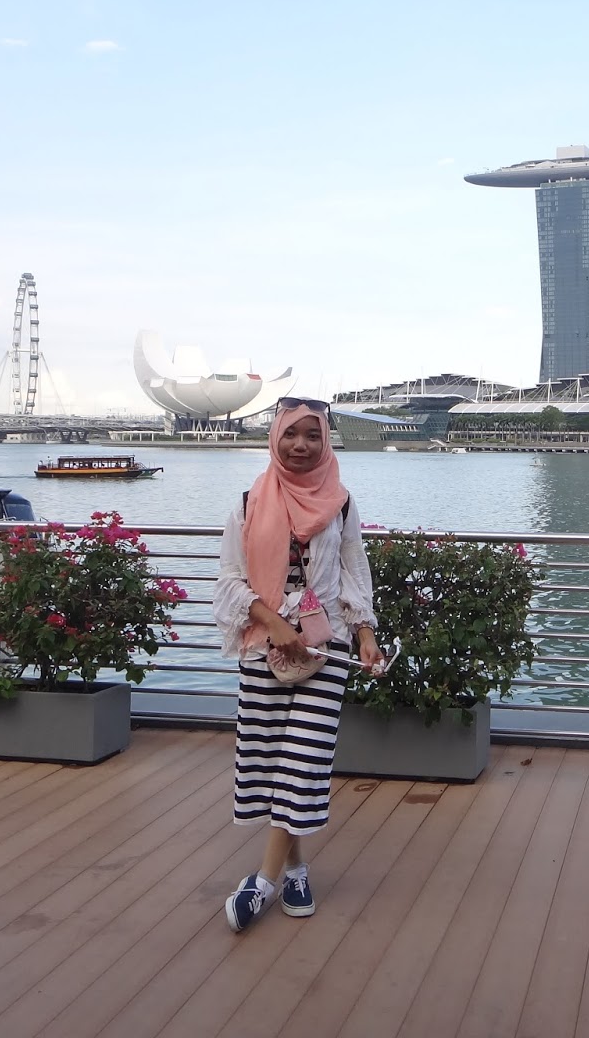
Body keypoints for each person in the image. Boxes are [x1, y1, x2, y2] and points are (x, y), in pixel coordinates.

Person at [212, 397, 384, 933]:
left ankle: (262, 882)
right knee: (272, 763)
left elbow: (355, 570)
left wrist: (366, 633)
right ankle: (297, 870)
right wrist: (275, 622)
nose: (301, 445)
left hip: (324, 649)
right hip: (266, 648)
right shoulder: (248, 502)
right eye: (292, 434)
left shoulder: (341, 503)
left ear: (326, 440)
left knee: (304, 762)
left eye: (313, 435)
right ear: (275, 437)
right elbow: (228, 581)